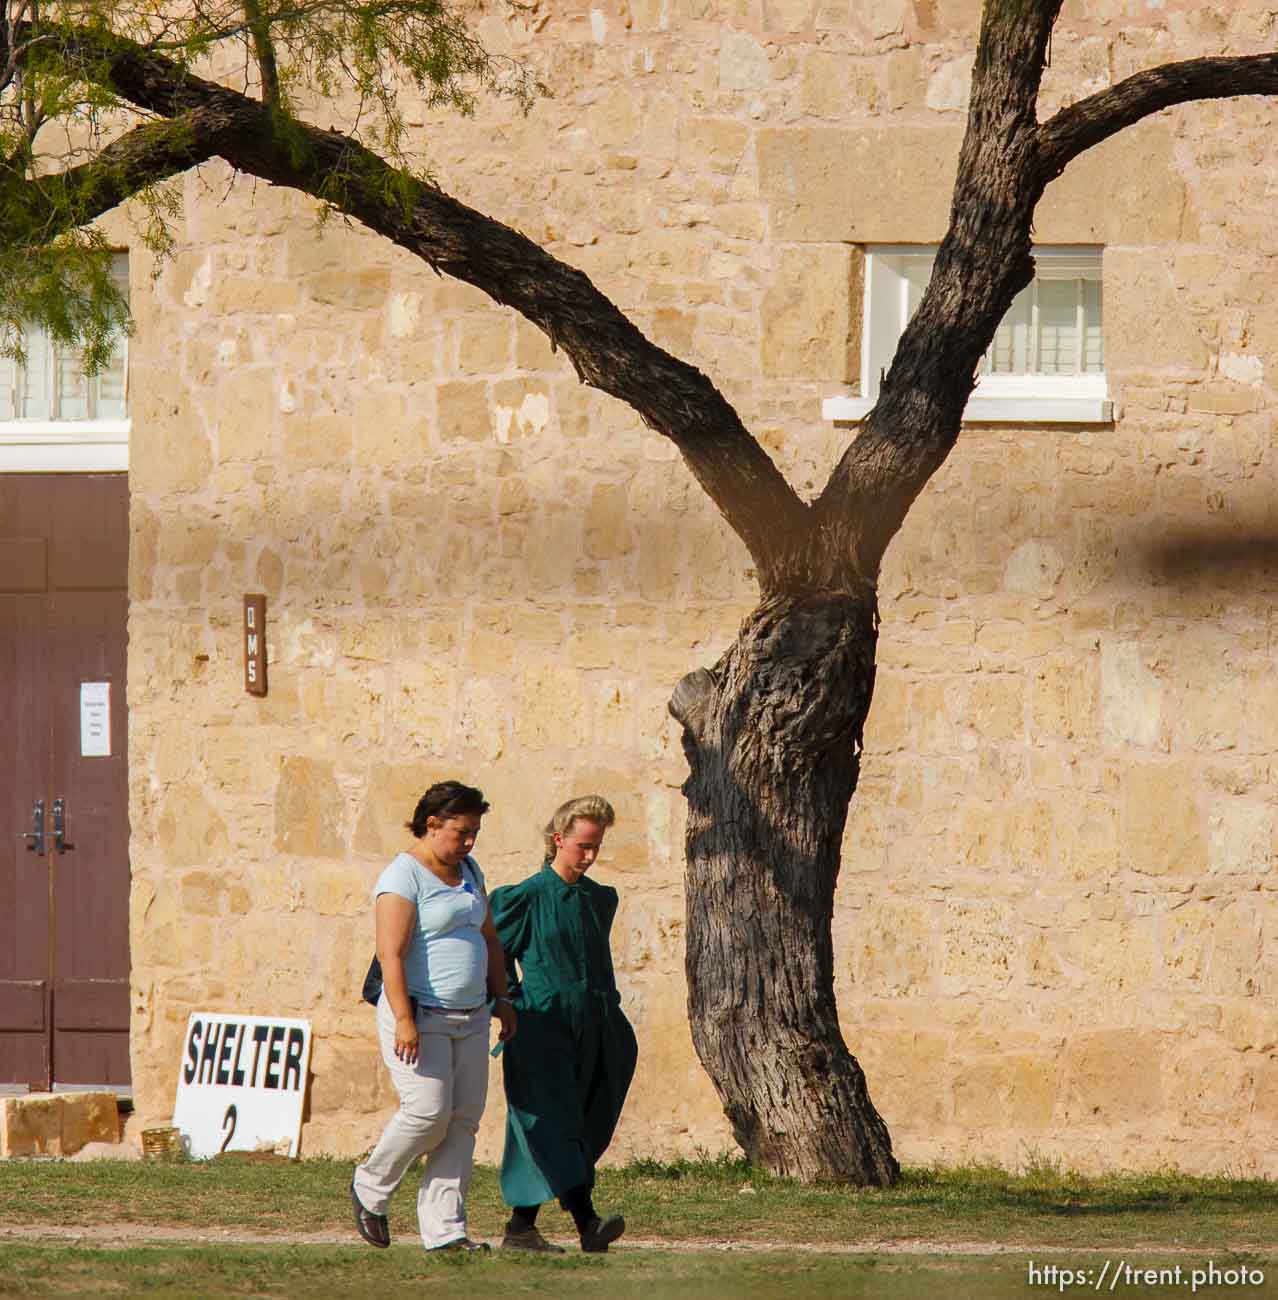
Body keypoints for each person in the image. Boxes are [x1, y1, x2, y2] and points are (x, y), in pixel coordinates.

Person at [350, 780, 517, 1254]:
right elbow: (392, 954)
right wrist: (404, 1019)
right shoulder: (402, 877)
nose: (469, 842)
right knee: (427, 1112)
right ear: (432, 824)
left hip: (471, 1016)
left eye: (475, 833)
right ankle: (370, 1187)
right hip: (420, 1016)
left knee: (462, 1120)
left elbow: (488, 939)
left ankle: (446, 1232)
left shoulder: (469, 871)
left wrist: (502, 998)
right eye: (461, 832)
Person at [488, 795, 638, 1254]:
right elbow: (494, 954)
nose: (590, 856)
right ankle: (586, 1223)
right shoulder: (526, 896)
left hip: (596, 1024)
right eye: (582, 846)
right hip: (541, 1026)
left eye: (596, 847)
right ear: (559, 840)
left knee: (581, 1121)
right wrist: (509, 1003)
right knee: (548, 1121)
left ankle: (522, 1228)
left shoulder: (599, 900)